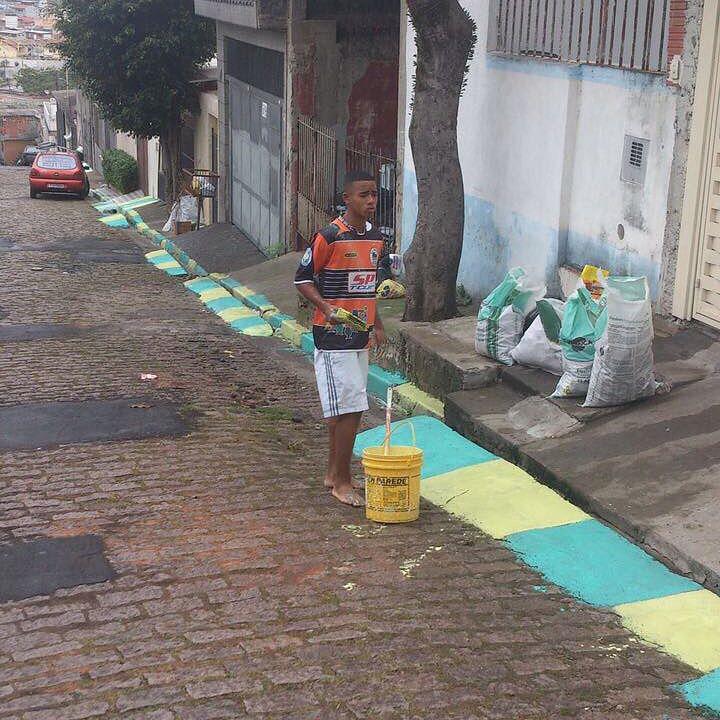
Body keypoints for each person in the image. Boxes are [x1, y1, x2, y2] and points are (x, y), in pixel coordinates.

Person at [295, 170, 387, 507]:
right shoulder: (328, 236)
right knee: (351, 406)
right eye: (364, 195)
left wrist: (377, 324)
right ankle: (343, 482)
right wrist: (325, 306)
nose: (371, 201)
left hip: (361, 334)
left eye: (374, 194)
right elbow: (302, 279)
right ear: (346, 198)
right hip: (333, 334)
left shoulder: (377, 238)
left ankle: (334, 473)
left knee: (347, 408)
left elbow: (372, 285)